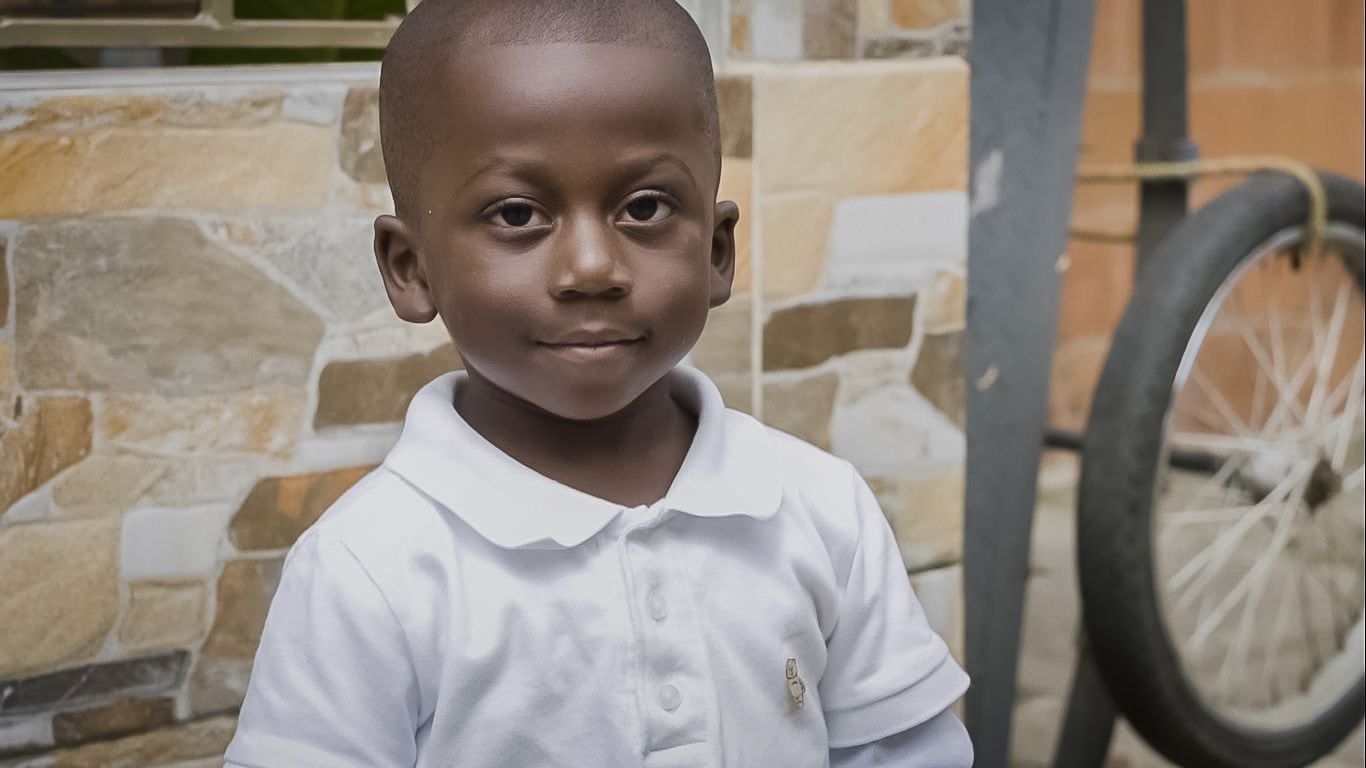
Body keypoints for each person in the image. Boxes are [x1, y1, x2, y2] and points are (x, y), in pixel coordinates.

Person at [224, 1, 972, 765]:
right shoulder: (369, 568)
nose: (591, 268)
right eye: (517, 214)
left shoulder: (820, 509)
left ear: (716, 250)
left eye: (645, 207)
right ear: (411, 269)